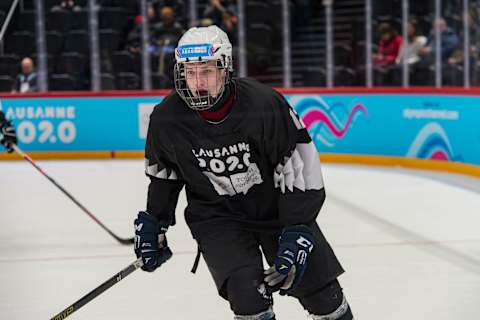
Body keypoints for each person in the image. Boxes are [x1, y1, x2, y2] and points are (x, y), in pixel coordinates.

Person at [134, 25, 353, 320]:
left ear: (225, 69)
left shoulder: (264, 104)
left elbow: (299, 166)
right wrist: (154, 222)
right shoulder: (166, 118)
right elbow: (164, 175)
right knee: (247, 296)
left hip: (276, 210)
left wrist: (297, 229)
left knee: (322, 295)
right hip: (217, 218)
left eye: (207, 71)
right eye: (189, 71)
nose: (197, 81)